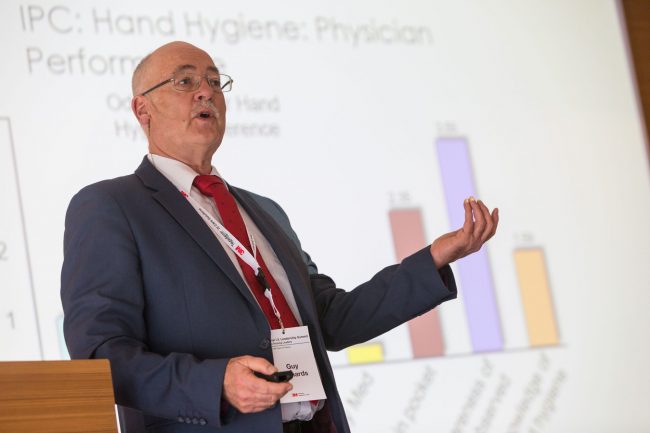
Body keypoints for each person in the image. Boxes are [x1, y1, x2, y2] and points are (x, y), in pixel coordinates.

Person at [61, 41, 498, 433]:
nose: (206, 92)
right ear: (143, 110)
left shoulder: (265, 212)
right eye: (185, 81)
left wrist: (434, 258)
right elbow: (101, 356)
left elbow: (331, 319)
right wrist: (215, 384)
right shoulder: (111, 206)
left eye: (214, 81)